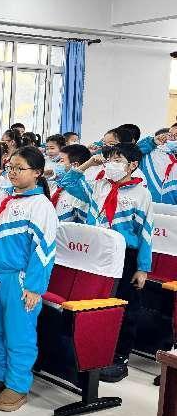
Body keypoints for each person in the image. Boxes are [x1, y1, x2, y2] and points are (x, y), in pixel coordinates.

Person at [0, 146, 57, 412]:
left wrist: (34, 288)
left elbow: (44, 251)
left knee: (19, 334)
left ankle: (17, 385)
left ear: (37, 173)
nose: (13, 173)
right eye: (10, 167)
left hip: (19, 280)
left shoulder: (40, 206)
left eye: (20, 168)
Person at [62, 143, 154, 382]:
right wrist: (89, 163)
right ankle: (93, 352)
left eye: (118, 160)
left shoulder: (141, 194)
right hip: (95, 254)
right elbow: (67, 182)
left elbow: (146, 233)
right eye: (110, 159)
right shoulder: (99, 186)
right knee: (96, 302)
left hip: (124, 256)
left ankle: (120, 357)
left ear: (132, 165)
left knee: (124, 306)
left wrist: (143, 268)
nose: (112, 163)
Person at [50, 143, 92, 222]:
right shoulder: (57, 185)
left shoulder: (80, 191)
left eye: (62, 161)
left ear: (75, 165)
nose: (58, 164)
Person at [137, 127, 177, 204]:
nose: (173, 138)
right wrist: (152, 142)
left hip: (172, 209)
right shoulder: (147, 157)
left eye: (175, 136)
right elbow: (131, 153)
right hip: (145, 206)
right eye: (170, 135)